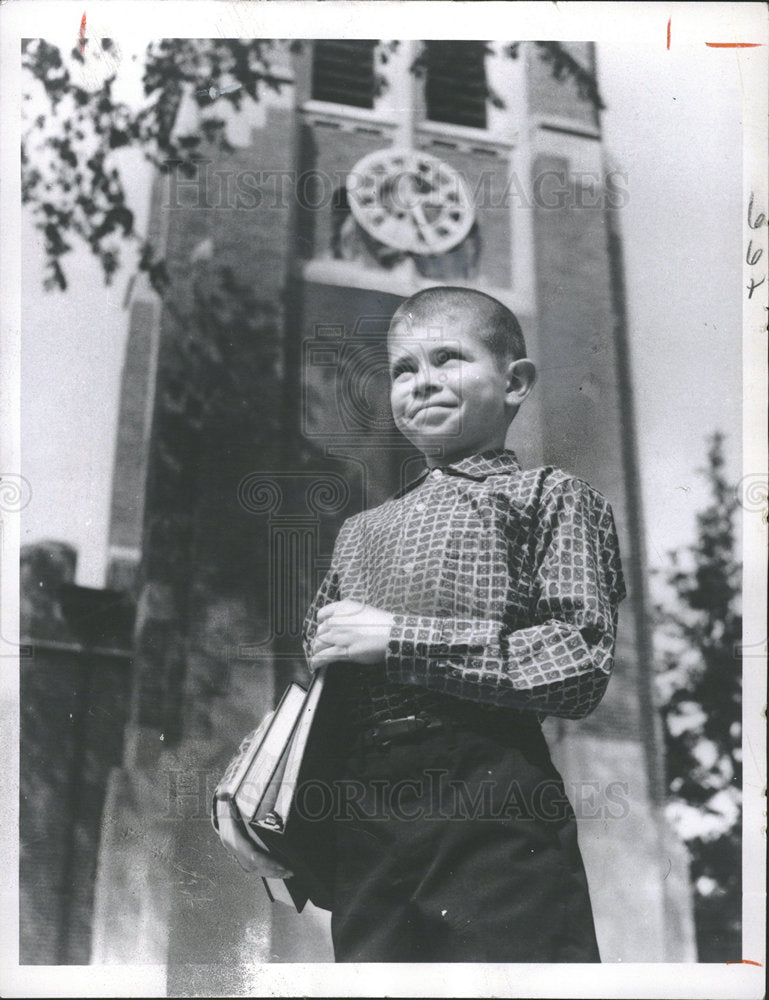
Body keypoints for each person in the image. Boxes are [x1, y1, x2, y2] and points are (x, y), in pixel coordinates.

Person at [216, 285, 626, 963]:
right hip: (363, 812)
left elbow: (577, 661)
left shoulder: (550, 497)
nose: (422, 382)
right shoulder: (359, 532)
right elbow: (318, 684)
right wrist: (257, 785)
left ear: (514, 381)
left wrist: (397, 638)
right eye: (404, 369)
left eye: (449, 359)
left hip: (489, 792)